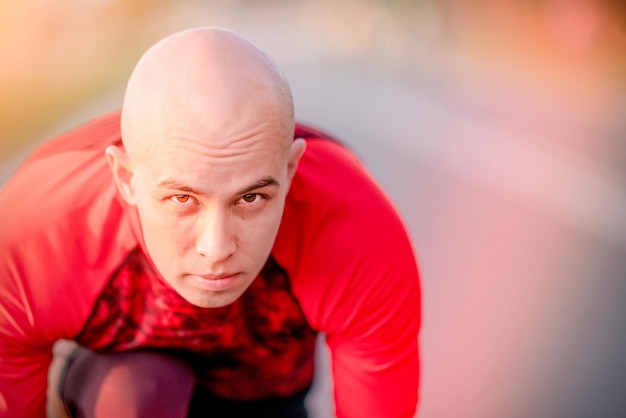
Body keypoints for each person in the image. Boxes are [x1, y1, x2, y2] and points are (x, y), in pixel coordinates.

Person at [0, 27, 421, 418]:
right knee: (135, 397)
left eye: (251, 198)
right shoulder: (33, 234)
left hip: (266, 392)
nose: (216, 249)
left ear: (290, 173)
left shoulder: (359, 234)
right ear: (126, 179)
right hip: (128, 383)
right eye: (182, 199)